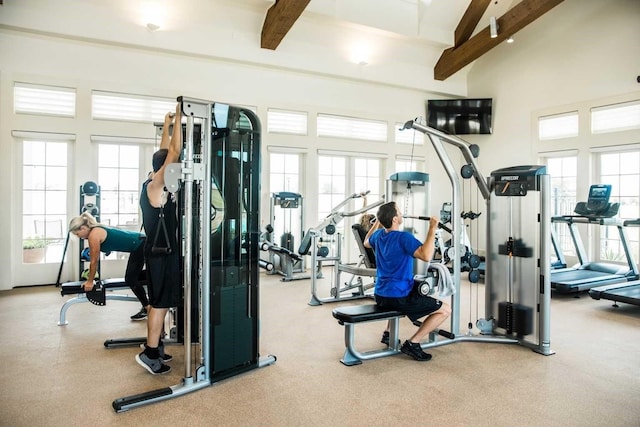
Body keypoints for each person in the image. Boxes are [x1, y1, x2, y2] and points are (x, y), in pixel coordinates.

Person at [364, 201, 451, 361]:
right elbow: (426, 255)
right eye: (399, 212)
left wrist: (378, 221)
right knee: (445, 310)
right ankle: (413, 343)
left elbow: (366, 241)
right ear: (395, 219)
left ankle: (388, 333)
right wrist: (432, 228)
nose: (401, 214)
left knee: (410, 287)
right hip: (398, 298)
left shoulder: (378, 236)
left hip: (380, 295)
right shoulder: (404, 238)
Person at [136, 103, 182, 375]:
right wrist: (181, 111)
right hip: (161, 254)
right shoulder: (157, 184)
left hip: (158, 252)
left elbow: (165, 151)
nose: (173, 167)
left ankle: (154, 346)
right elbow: (173, 152)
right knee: (161, 303)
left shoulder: (150, 180)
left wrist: (167, 124)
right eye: (170, 165)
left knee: (158, 302)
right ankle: (150, 353)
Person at [68, 212, 149, 321]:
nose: (79, 237)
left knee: (130, 278)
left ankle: (148, 307)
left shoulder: (93, 235)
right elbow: (113, 237)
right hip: (141, 242)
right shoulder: (97, 228)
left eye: (77, 234)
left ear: (83, 228)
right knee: (135, 276)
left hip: (140, 245)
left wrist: (90, 281)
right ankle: (156, 280)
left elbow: (93, 262)